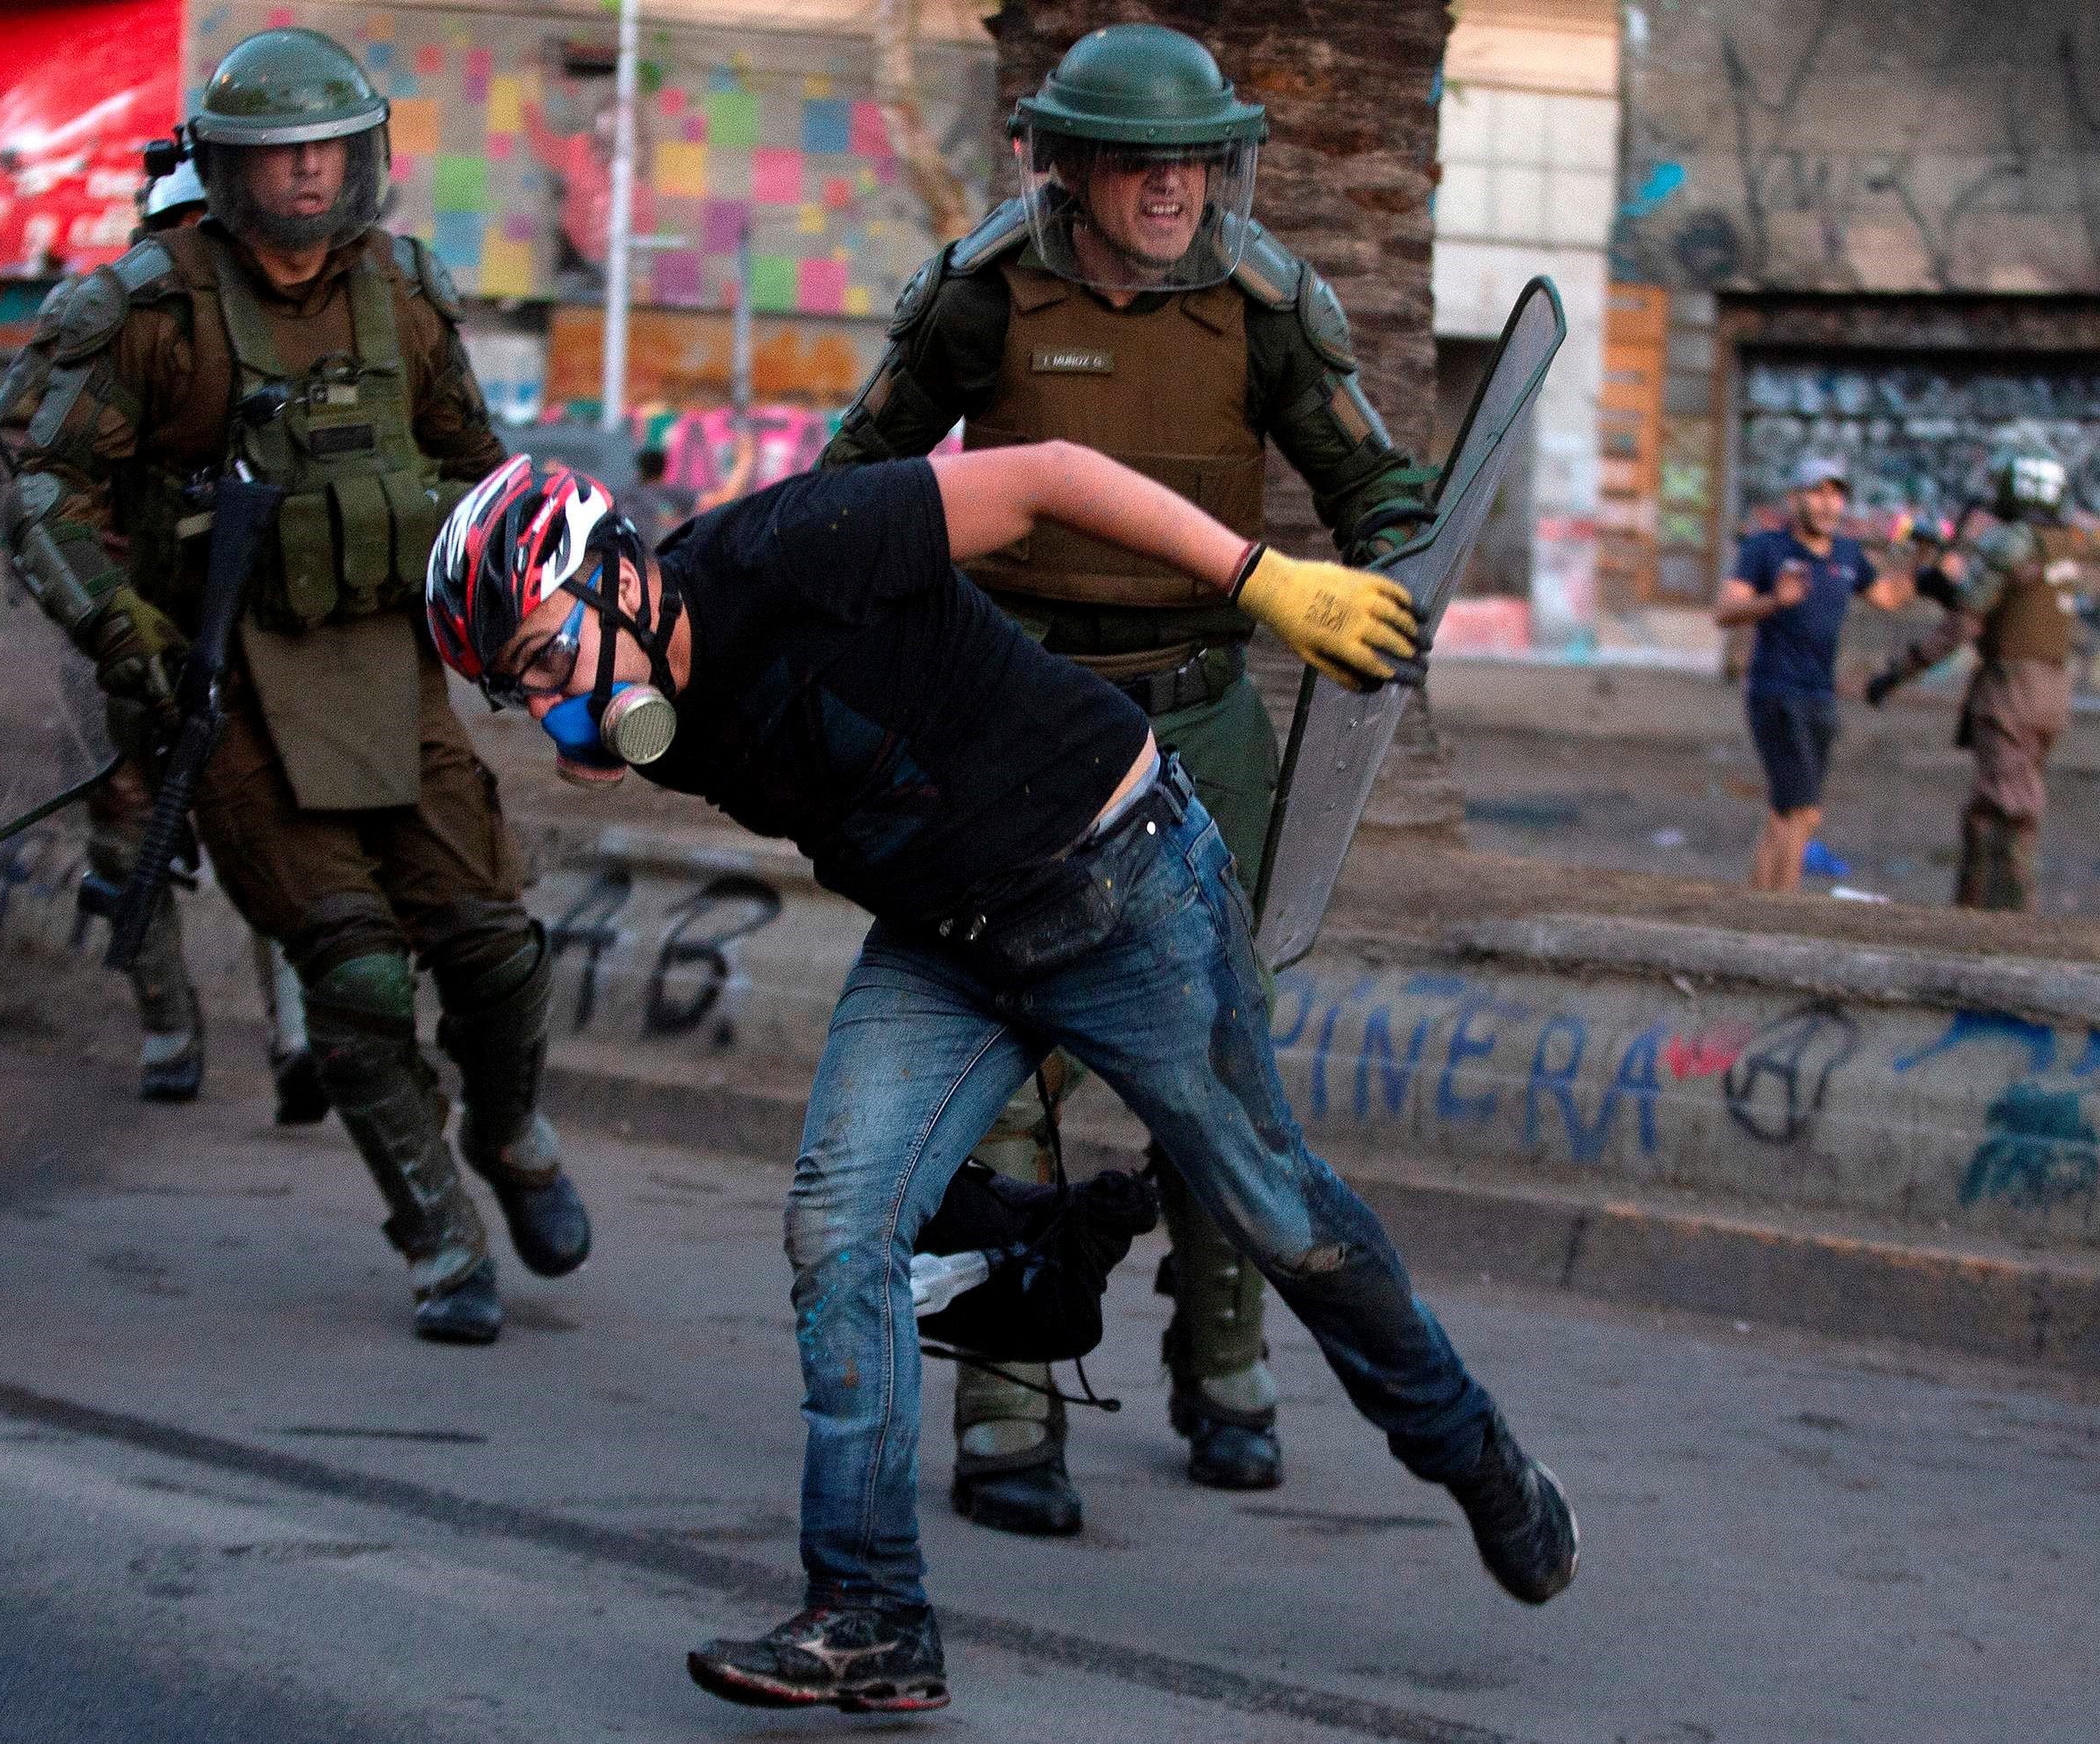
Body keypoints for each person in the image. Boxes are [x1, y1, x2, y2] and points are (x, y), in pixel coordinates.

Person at [424, 448, 1579, 1715]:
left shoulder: (797, 544)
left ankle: (1476, 1457)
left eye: (539, 662)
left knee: (1279, 1221)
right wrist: (590, 712)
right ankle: (870, 1612)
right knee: (841, 1229)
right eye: (511, 691)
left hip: (1122, 890)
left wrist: (1264, 583)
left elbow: (1048, 477)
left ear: (621, 577)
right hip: (945, 948)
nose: (543, 710)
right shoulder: (630, 702)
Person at [819, 23, 1438, 1530]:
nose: (1172, 190)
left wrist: (1398, 571)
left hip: (1202, 719)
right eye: (1140, 161)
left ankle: (1225, 1368)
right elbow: (855, 492)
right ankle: (1007, 1405)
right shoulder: (980, 298)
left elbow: (1379, 484)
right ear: (1069, 163)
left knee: (1216, 1057)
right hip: (1006, 723)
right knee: (1003, 1055)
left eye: (1192, 161)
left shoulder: (1266, 301)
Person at [0, 27, 586, 1345]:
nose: (310, 175)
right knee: (358, 974)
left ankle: (509, 1132)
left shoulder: (411, 296)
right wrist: (118, 627)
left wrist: (545, 637)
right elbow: (41, 489)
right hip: (236, 701)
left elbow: (486, 485)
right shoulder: (149, 313)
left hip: (394, 677)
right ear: (228, 168)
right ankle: (439, 1233)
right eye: (280, 155)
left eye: (329, 149)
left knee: (495, 947)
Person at [35, 148, 327, 1117]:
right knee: (127, 830)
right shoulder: (112, 324)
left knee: (277, 832)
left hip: (262, 624)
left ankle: (298, 1038)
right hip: (133, 621)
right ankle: (169, 1022)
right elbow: (35, 474)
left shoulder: (299, 325)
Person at [1867, 448, 2097, 910]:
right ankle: (1972, 912)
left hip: (2011, 687)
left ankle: (2009, 922)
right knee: (1995, 805)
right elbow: (2012, 606)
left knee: (2007, 808)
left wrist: (1896, 673)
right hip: (2052, 689)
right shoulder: (2071, 543)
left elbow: (1965, 624)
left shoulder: (2013, 544)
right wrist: (1948, 591)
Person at [1713, 456, 1910, 892]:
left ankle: (1757, 903)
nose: (1827, 504)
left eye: (1835, 494)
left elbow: (1890, 597)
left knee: (1788, 811)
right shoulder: (1766, 549)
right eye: (1816, 493)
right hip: (1775, 693)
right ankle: (1785, 910)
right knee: (1802, 811)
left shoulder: (1848, 555)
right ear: (1794, 499)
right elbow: (1724, 612)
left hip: (1821, 696)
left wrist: (1929, 569)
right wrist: (1774, 601)